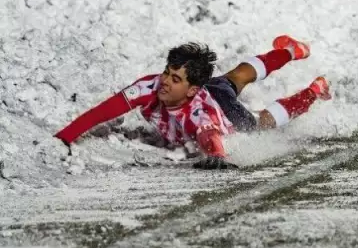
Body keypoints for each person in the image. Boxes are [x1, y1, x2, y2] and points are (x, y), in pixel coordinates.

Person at [54, 37, 330, 170]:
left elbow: (209, 136)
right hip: (210, 87)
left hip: (223, 107)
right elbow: (101, 113)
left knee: (261, 122)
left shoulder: (199, 114)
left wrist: (217, 158)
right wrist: (63, 137)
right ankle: (292, 51)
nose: (164, 82)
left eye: (174, 79)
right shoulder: (150, 85)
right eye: (166, 72)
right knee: (236, 75)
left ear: (191, 90)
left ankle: (314, 91)